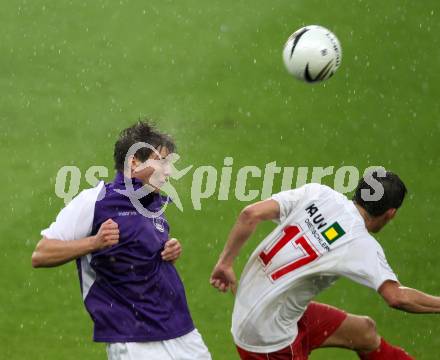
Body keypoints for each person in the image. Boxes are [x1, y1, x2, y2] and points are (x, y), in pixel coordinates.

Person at [211, 170, 440, 359]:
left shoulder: (319, 193)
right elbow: (396, 296)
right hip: (269, 341)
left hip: (261, 310)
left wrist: (225, 263)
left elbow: (250, 213)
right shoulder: (360, 244)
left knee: (364, 332)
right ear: (390, 214)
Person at [32, 121, 211, 360]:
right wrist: (93, 243)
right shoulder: (95, 201)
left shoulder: (154, 205)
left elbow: (136, 257)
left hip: (181, 331)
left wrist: (169, 251)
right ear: (134, 161)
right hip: (133, 339)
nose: (168, 172)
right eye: (162, 162)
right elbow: (41, 254)